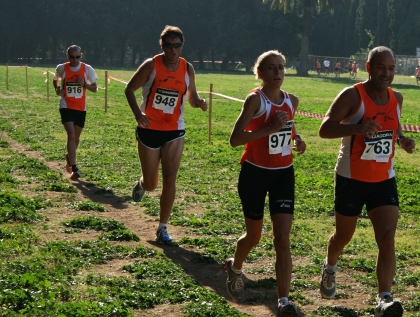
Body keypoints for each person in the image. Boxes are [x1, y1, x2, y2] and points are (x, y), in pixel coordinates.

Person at [318, 46, 415, 317]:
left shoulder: (397, 98)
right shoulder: (352, 95)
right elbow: (324, 128)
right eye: (381, 68)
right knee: (343, 237)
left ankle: (384, 298)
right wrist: (356, 128)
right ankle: (330, 266)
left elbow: (394, 128)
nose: (387, 73)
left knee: (386, 236)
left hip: (383, 178)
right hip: (351, 177)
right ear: (369, 67)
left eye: (391, 68)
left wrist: (402, 140)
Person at [225, 50, 306, 317]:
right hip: (254, 174)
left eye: (281, 67)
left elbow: (288, 128)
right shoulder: (255, 100)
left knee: (282, 239)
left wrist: (297, 139)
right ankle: (235, 267)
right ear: (259, 73)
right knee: (255, 236)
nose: (277, 72)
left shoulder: (291, 100)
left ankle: (283, 301)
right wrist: (269, 129)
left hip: (284, 174)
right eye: (271, 68)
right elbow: (235, 139)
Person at [124, 26, 207, 245]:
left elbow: (190, 96)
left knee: (170, 178)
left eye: (177, 45)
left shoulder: (187, 68)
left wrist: (198, 102)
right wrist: (138, 113)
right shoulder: (151, 65)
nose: (173, 50)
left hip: (174, 130)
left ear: (182, 46)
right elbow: (129, 89)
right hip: (149, 129)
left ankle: (163, 227)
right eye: (168, 45)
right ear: (162, 45)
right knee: (152, 183)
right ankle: (142, 184)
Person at [53, 45, 98, 180]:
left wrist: (84, 84)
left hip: (80, 108)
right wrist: (57, 89)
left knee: (76, 138)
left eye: (77, 57)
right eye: (72, 57)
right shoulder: (62, 68)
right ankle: (74, 168)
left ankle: (69, 156)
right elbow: (56, 79)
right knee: (71, 135)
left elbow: (95, 88)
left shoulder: (87, 69)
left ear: (81, 56)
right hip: (65, 105)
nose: (74, 60)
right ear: (68, 56)